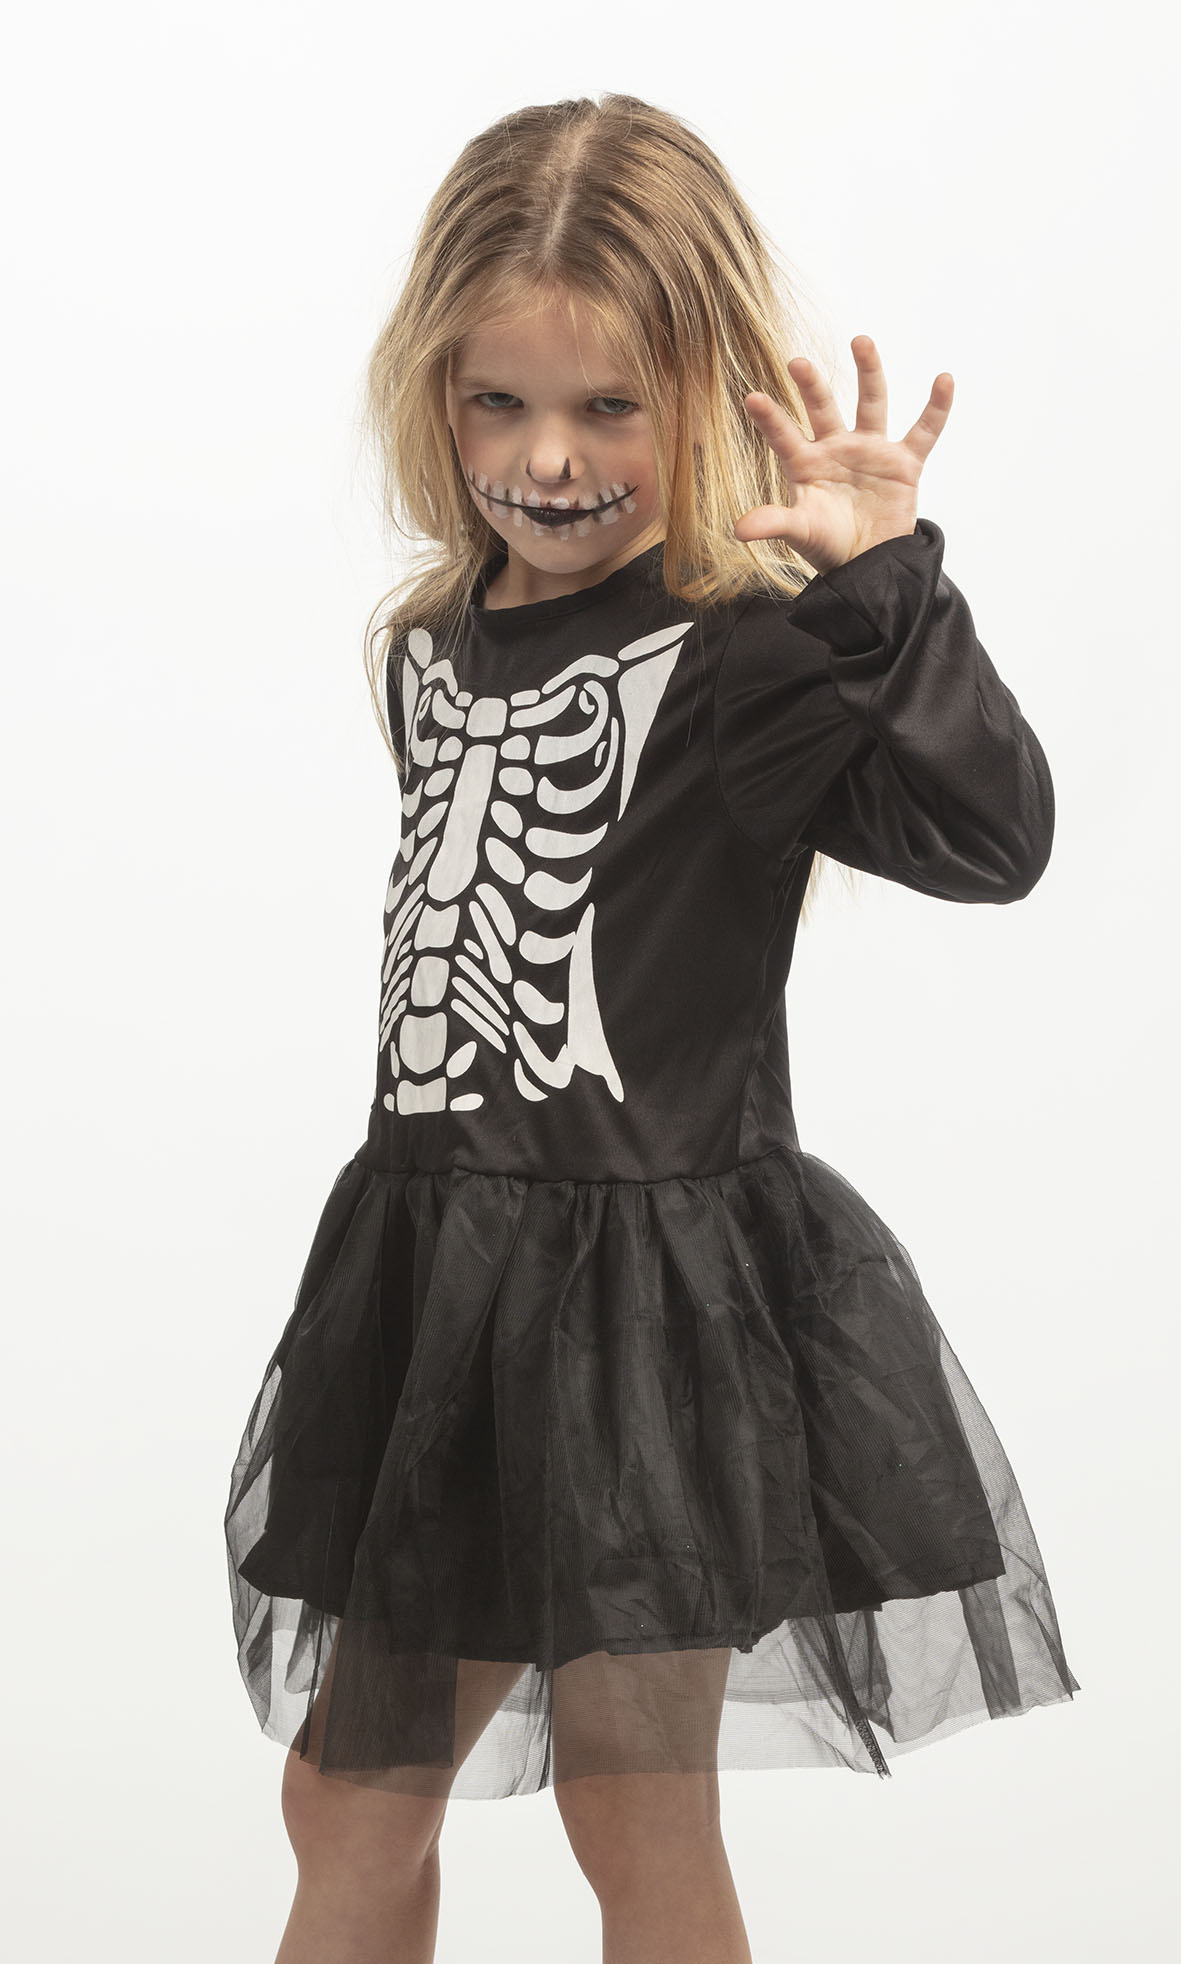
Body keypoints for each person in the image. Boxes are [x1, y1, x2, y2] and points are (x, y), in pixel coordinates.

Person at [224, 91, 1080, 1964]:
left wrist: (881, 587)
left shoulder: (755, 649)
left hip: (639, 1315)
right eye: (497, 402)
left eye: (610, 406)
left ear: (705, 390)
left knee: (633, 1807)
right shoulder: (430, 642)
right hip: (431, 1288)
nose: (547, 459)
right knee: (346, 1795)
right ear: (432, 394)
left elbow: (992, 841)